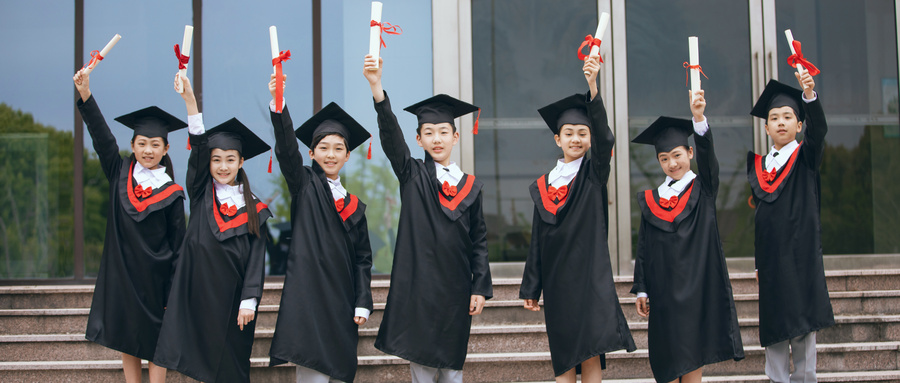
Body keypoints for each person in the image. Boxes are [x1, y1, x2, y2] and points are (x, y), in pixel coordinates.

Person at [364, 55, 492, 383]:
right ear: (419, 140)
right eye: (429, 133)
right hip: (419, 287)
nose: (437, 139)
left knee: (452, 371)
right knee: (421, 368)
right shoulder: (413, 175)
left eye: (443, 132)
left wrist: (479, 286)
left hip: (455, 288)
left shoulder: (471, 187)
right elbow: (392, 138)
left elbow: (479, 240)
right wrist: (377, 88)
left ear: (455, 137)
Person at [519, 54, 635, 383]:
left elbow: (606, 141)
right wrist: (532, 285)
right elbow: (538, 237)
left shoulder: (592, 174)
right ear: (558, 139)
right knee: (565, 351)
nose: (576, 138)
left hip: (589, 275)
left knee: (591, 348)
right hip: (558, 280)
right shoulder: (544, 185)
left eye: (583, 133)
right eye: (568, 133)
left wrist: (593, 88)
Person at [153, 75, 271, 383]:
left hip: (234, 300)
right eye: (216, 160)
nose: (222, 166)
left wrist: (249, 300)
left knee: (232, 367)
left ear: (241, 162)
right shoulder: (201, 192)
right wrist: (191, 103)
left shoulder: (255, 208)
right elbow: (198, 149)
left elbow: (256, 259)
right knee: (202, 367)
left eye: (229, 160)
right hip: (198, 294)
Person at [73, 68, 186, 383]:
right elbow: (101, 137)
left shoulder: (173, 194)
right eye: (142, 143)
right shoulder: (119, 173)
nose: (148, 150)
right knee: (128, 337)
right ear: (133, 145)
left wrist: (174, 292)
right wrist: (86, 93)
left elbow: (178, 246)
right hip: (124, 276)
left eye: (155, 144)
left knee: (157, 342)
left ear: (165, 149)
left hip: (157, 278)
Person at [265, 73, 374, 383]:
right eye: (323, 148)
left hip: (341, 303)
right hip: (310, 301)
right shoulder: (305, 186)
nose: (330, 154)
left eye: (338, 148)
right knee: (313, 376)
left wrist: (363, 300)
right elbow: (287, 150)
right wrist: (278, 104)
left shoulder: (355, 206)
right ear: (311, 154)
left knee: (340, 374)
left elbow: (363, 259)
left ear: (347, 155)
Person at [630, 90, 744, 383]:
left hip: (695, 290)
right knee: (666, 362)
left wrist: (699, 120)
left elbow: (709, 162)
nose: (672, 164)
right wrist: (641, 288)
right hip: (663, 292)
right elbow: (644, 247)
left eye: (677, 155)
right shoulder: (652, 199)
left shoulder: (703, 189)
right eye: (664, 158)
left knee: (692, 356)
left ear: (690, 153)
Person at [749, 73, 834, 382]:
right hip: (771, 263)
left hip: (801, 259)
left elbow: (819, 132)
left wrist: (809, 95)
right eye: (774, 117)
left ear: (800, 125)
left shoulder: (805, 158)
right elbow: (761, 220)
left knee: (801, 332)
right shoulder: (760, 168)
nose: (781, 122)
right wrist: (758, 262)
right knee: (774, 333)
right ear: (767, 126)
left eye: (788, 116)